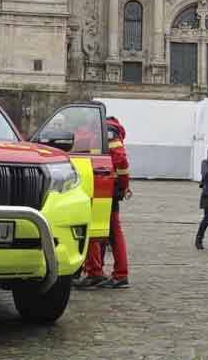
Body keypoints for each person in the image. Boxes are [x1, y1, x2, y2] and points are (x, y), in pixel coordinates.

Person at [76, 116, 132, 289]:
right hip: (104, 185)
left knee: (99, 229)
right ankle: (109, 273)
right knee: (109, 231)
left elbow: (120, 160)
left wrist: (123, 185)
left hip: (104, 186)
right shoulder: (102, 131)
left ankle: (97, 273)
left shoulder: (106, 131)